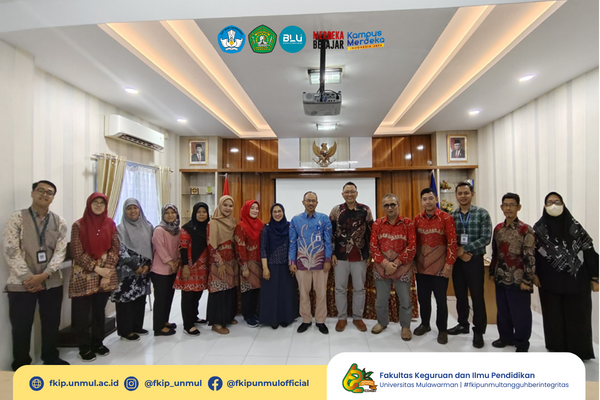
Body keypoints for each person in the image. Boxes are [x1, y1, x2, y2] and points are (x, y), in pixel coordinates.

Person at [3, 180, 69, 370]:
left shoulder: (59, 221)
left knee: (51, 323)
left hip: (51, 281)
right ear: (32, 193)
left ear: (53, 198)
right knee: (21, 325)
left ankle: (50, 357)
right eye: (41, 190)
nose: (45, 194)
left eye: (49, 192)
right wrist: (28, 278)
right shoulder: (17, 218)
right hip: (21, 283)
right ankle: (21, 364)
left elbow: (60, 251)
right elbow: (10, 249)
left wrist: (44, 275)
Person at [533, 192, 599, 360]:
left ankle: (580, 351)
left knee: (578, 317)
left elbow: (589, 252)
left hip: (577, 281)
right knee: (553, 317)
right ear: (544, 206)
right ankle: (557, 349)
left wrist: (595, 277)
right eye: (549, 202)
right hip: (549, 282)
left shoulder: (575, 227)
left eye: (557, 202)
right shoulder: (539, 230)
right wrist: (534, 274)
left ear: (563, 204)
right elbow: (533, 254)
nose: (553, 205)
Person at [69, 192, 119, 362]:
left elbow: (115, 249)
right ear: (89, 204)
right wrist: (98, 269)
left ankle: (98, 343)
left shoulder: (110, 224)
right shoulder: (78, 225)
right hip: (84, 276)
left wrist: (107, 272)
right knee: (82, 314)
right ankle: (84, 347)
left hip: (105, 275)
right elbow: (76, 252)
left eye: (102, 203)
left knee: (99, 312)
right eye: (95, 202)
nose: (98, 205)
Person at [489, 193, 535, 352]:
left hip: (519, 279)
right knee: (503, 311)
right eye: (505, 205)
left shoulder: (525, 229)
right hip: (501, 277)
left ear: (518, 207)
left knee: (520, 313)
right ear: (501, 207)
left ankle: (522, 342)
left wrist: (527, 280)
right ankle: (505, 337)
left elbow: (530, 256)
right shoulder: (498, 229)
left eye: (512, 205)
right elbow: (495, 253)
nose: (508, 208)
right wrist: (492, 272)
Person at [448, 182, 492, 348]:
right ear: (456, 195)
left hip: (475, 260)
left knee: (477, 296)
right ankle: (462, 324)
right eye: (460, 193)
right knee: (460, 295)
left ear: (472, 194)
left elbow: (485, 238)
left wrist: (465, 249)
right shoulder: (451, 216)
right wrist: (459, 253)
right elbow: (449, 239)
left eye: (466, 193)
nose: (463, 196)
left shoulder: (482, 213)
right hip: (458, 261)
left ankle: (479, 331)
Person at [413, 188, 457, 344]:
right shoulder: (417, 219)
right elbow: (413, 243)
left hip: (440, 268)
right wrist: (412, 263)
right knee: (423, 299)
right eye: (424, 199)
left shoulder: (446, 218)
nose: (428, 202)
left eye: (430, 198)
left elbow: (452, 243)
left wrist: (449, 265)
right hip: (421, 267)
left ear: (436, 199)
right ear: (421, 201)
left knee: (441, 301)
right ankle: (425, 324)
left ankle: (442, 329)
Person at [369, 193, 416, 340]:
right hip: (381, 268)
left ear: (398, 205)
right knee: (381, 300)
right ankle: (382, 322)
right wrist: (385, 264)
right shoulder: (377, 224)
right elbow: (373, 247)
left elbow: (412, 246)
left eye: (392, 204)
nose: (390, 208)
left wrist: (396, 263)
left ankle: (405, 326)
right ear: (383, 207)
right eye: (386, 205)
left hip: (402, 268)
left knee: (405, 300)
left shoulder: (408, 223)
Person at [329, 182, 373, 333]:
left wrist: (370, 253)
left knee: (359, 289)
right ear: (342, 194)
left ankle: (357, 317)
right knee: (340, 289)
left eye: (352, 191)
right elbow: (330, 234)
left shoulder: (365, 210)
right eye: (347, 192)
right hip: (340, 257)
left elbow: (370, 232)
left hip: (360, 256)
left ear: (356, 193)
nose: (349, 194)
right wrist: (332, 253)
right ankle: (342, 318)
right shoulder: (336, 210)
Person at [289, 191, 332, 334]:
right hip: (301, 263)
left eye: (313, 200)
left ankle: (320, 321)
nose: (311, 203)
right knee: (304, 293)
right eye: (308, 200)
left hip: (320, 262)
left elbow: (328, 241)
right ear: (303, 202)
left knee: (321, 293)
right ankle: (306, 320)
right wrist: (292, 261)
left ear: (317, 203)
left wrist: (327, 259)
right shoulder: (295, 220)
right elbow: (292, 242)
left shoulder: (324, 219)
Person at [111, 198, 152, 342]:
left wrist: (147, 265)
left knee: (140, 298)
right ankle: (125, 331)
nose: (133, 211)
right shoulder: (119, 229)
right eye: (129, 208)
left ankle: (137, 326)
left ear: (140, 210)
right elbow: (120, 250)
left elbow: (152, 247)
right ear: (124, 211)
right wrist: (135, 267)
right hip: (127, 271)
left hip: (144, 270)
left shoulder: (148, 226)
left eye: (135, 208)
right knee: (125, 299)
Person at [174, 202, 210, 336]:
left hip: (203, 266)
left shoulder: (208, 227)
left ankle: (194, 316)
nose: (201, 214)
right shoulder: (187, 228)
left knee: (198, 293)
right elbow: (183, 247)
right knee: (188, 296)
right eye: (199, 212)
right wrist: (185, 266)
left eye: (204, 212)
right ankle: (188, 325)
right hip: (190, 266)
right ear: (194, 213)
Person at [260, 203, 298, 329]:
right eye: (274, 212)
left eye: (279, 211)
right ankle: (273, 320)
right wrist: (265, 268)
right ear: (271, 214)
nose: (277, 214)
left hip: (287, 266)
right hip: (271, 266)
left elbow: (293, 245)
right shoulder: (267, 228)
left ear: (283, 212)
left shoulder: (289, 226)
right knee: (272, 294)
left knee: (286, 293)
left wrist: (292, 263)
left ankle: (286, 318)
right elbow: (263, 249)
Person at [206, 195, 239, 335]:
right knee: (218, 291)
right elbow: (211, 244)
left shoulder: (233, 222)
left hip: (232, 263)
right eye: (225, 205)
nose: (228, 208)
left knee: (229, 290)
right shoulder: (213, 223)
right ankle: (217, 323)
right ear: (220, 206)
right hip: (218, 264)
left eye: (230, 206)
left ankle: (227, 317)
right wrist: (219, 263)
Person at [150, 204, 180, 336]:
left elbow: (179, 247)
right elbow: (160, 248)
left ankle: (164, 321)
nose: (170, 215)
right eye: (167, 213)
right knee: (161, 299)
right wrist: (171, 262)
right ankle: (158, 327)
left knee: (169, 297)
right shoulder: (159, 230)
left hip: (172, 270)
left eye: (172, 212)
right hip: (159, 270)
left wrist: (177, 261)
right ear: (163, 215)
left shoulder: (177, 230)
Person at [235, 200, 264, 328]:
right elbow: (240, 247)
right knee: (248, 290)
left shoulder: (261, 225)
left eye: (257, 208)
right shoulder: (241, 226)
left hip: (259, 264)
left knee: (256, 290)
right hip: (247, 264)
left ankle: (254, 313)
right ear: (246, 209)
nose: (255, 211)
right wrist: (244, 266)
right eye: (252, 208)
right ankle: (248, 316)